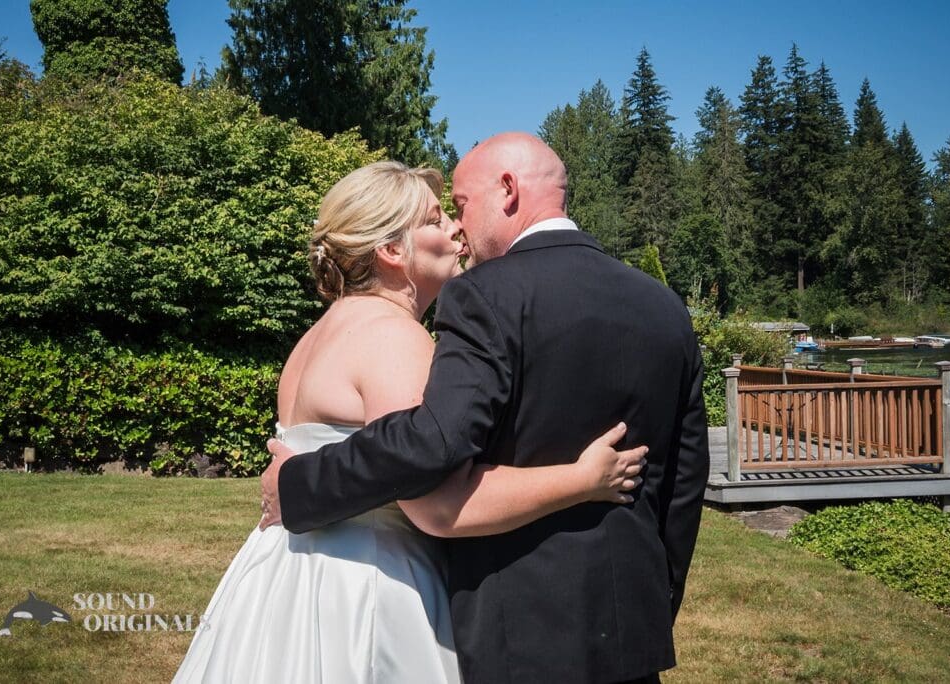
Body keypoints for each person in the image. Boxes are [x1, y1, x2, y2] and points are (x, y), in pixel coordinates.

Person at [173, 161, 647, 683]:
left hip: (285, 576)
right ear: (392, 251)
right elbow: (438, 505)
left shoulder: (317, 336)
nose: (456, 229)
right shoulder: (392, 337)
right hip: (365, 591)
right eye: (434, 219)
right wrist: (583, 479)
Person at [263, 133, 711, 683]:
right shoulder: (664, 307)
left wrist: (298, 484)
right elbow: (685, 480)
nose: (458, 228)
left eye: (460, 205)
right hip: (630, 636)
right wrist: (653, 601)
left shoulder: (484, 296)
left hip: (512, 635)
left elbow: (430, 444)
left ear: (507, 189)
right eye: (443, 215)